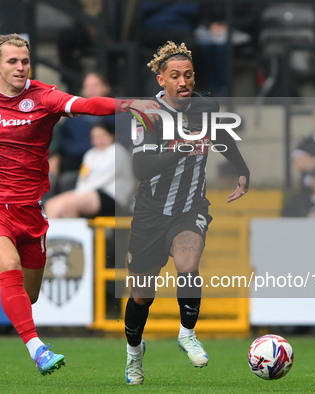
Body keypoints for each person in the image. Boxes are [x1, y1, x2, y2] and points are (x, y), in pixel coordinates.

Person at [0, 34, 159, 376]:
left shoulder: (44, 97)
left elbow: (87, 105)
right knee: (10, 265)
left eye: (25, 61)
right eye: (12, 61)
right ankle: (37, 348)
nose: (21, 67)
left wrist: (128, 105)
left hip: (29, 211)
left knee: (29, 293)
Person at [124, 41, 249, 385]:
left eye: (189, 75)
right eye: (175, 75)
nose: (184, 81)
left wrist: (242, 169)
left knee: (188, 265)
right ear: (161, 80)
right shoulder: (146, 113)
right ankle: (134, 355)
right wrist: (183, 147)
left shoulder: (207, 105)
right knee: (141, 295)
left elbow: (221, 133)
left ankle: (187, 333)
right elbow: (142, 167)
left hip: (190, 206)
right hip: (150, 213)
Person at [45, 121, 133, 218]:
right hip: (88, 192)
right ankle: (52, 233)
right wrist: (78, 192)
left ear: (112, 135)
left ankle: (72, 233)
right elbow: (83, 177)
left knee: (68, 205)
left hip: (112, 195)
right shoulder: (90, 154)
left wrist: (78, 193)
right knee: (50, 205)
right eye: (95, 137)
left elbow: (101, 179)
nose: (99, 140)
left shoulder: (118, 151)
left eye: (102, 136)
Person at [48, 72, 115, 192]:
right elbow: (62, 140)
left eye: (95, 85)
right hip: (70, 162)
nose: (91, 89)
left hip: (100, 163)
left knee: (67, 181)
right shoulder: (75, 113)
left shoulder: (115, 112)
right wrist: (55, 157)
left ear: (106, 87)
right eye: (87, 86)